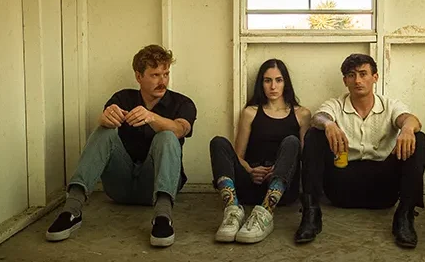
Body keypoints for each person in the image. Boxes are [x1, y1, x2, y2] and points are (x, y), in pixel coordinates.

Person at [45, 45, 196, 248]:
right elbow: (105, 123)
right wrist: (105, 117)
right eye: (155, 75)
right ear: (138, 76)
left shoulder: (182, 103)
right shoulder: (123, 98)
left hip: (157, 184)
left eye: (166, 74)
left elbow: (180, 129)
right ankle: (71, 210)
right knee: (104, 131)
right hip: (120, 187)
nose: (163, 81)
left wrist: (152, 117)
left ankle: (163, 217)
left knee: (167, 136)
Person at [294, 54, 425, 248]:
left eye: (363, 74)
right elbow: (319, 117)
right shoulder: (336, 104)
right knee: (315, 134)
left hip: (384, 190)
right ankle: (311, 214)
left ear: (375, 77)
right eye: (351, 75)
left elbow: (410, 119)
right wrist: (329, 124)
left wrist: (407, 128)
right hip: (341, 188)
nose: (357, 80)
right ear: (345, 81)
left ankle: (405, 217)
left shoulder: (390, 105)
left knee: (418, 138)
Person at [209, 59, 311, 244]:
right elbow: (239, 156)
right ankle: (232, 211)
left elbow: (303, 158)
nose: (273, 86)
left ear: (286, 82)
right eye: (267, 80)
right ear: (261, 83)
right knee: (218, 143)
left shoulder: (301, 114)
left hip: (282, 191)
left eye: (278, 80)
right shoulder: (250, 112)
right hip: (251, 185)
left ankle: (265, 214)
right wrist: (250, 170)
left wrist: (278, 170)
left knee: (292, 141)